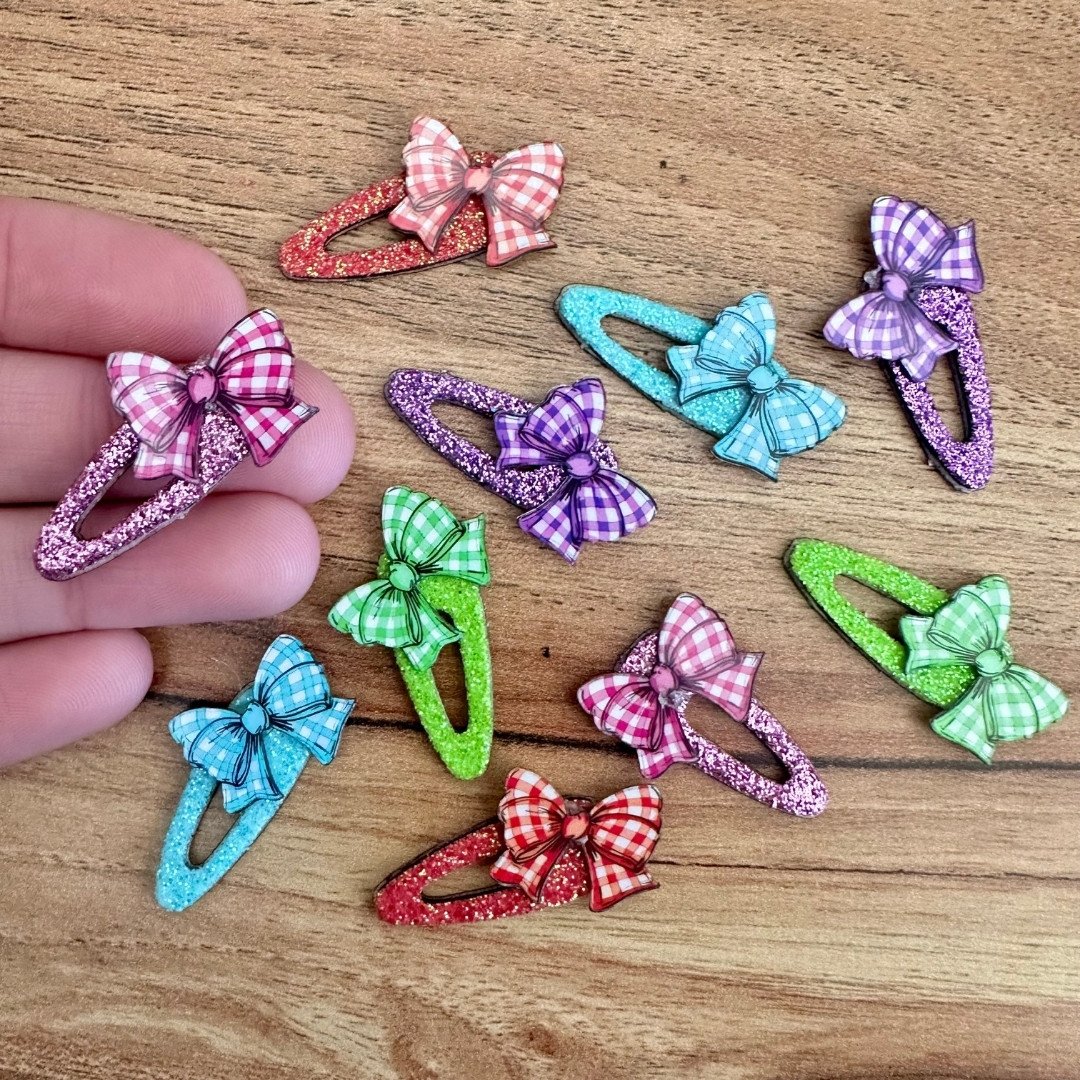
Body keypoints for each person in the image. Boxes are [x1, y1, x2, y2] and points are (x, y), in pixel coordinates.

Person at [0, 197, 355, 766]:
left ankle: (80, 542)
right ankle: (71, 542)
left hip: (209, 437)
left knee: (229, 528)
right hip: (171, 413)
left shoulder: (231, 432)